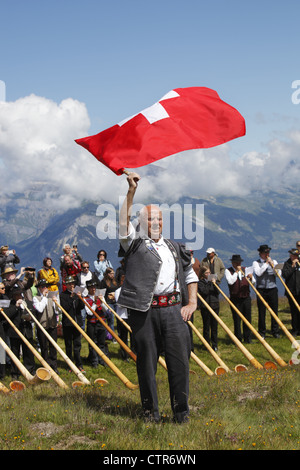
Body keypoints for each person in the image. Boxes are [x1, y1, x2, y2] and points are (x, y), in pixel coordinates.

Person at [118, 171, 198, 423]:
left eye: (159, 219)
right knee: (146, 366)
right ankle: (150, 414)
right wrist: (131, 192)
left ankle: (181, 413)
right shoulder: (133, 244)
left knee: (179, 364)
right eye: (150, 219)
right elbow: (122, 223)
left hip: (174, 311)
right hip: (144, 312)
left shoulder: (175, 247)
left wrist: (192, 303)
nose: (155, 223)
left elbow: (189, 275)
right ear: (141, 222)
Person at [4, 286, 36, 380]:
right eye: (16, 295)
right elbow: (7, 315)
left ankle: (30, 371)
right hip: (15, 332)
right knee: (15, 353)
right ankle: (15, 373)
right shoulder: (10, 304)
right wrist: (16, 307)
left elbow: (33, 313)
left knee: (29, 353)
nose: (18, 296)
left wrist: (30, 317)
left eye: (19, 294)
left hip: (27, 331)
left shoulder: (28, 303)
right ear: (13, 296)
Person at [252, 244, 280, 339]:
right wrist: (266, 264)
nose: (267, 254)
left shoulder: (274, 262)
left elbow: (278, 274)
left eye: (268, 252)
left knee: (274, 311)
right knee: (261, 312)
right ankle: (262, 332)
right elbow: (258, 273)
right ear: (261, 254)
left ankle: (275, 331)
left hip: (272, 289)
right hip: (261, 289)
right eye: (265, 252)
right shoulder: (256, 263)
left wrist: (273, 265)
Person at [225, 254, 254, 343]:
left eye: (239, 262)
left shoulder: (246, 270)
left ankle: (247, 338)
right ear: (233, 263)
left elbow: (253, 282)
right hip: (235, 298)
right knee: (237, 319)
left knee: (247, 318)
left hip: (246, 297)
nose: (238, 264)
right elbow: (231, 281)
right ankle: (238, 338)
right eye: (237, 263)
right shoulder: (228, 271)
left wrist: (251, 277)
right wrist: (236, 272)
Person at [59, 276, 85, 372]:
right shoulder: (63, 295)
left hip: (77, 322)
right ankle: (69, 365)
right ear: (66, 285)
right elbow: (65, 307)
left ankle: (79, 364)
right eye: (70, 284)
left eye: (73, 284)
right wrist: (71, 298)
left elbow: (82, 307)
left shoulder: (77, 294)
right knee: (68, 345)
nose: (72, 286)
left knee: (77, 345)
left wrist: (80, 298)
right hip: (68, 323)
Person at [32, 279, 59, 372]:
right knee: (44, 347)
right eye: (42, 286)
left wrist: (56, 303)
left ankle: (54, 365)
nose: (45, 288)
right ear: (39, 288)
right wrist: (44, 297)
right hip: (42, 325)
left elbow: (58, 311)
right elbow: (40, 309)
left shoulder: (52, 297)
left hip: (52, 324)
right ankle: (45, 366)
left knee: (53, 346)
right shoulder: (36, 298)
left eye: (46, 286)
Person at [83, 279, 109, 368]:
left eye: (94, 287)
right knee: (92, 343)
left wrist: (101, 301)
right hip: (92, 323)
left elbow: (106, 310)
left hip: (101, 322)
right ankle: (94, 361)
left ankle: (102, 360)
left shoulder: (101, 296)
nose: (93, 289)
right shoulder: (85, 299)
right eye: (91, 287)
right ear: (88, 288)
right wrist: (94, 302)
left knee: (101, 342)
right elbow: (90, 312)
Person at [197, 266, 220, 351]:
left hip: (215, 305)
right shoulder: (200, 283)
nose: (209, 274)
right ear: (203, 274)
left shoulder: (214, 282)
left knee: (214, 326)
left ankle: (214, 344)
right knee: (206, 326)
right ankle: (206, 344)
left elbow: (217, 292)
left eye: (209, 273)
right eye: (207, 273)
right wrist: (210, 283)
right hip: (205, 306)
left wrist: (214, 283)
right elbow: (205, 292)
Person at [282, 248, 300, 336]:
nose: (295, 257)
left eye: (296, 255)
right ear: (290, 255)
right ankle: (295, 329)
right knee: (294, 311)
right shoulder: (287, 264)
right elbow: (285, 275)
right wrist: (293, 266)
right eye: (293, 255)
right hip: (292, 291)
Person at [114, 274, 132, 361]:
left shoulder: (131, 291)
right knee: (123, 337)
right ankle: (125, 355)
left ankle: (133, 353)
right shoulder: (118, 291)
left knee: (133, 336)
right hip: (122, 317)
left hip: (131, 316)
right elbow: (120, 303)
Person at [100, 267, 118, 335]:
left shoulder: (115, 281)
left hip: (116, 302)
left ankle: (120, 334)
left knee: (119, 319)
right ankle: (112, 336)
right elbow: (102, 293)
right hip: (109, 303)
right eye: (111, 273)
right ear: (107, 274)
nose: (112, 275)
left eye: (113, 273)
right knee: (111, 319)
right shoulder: (104, 282)